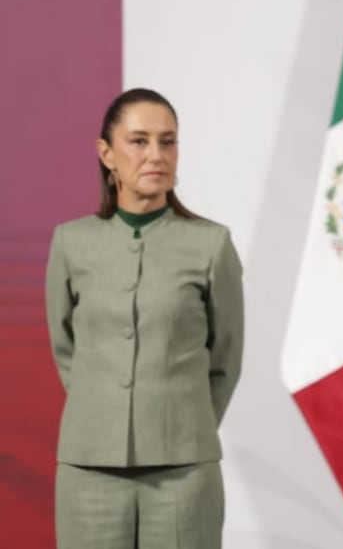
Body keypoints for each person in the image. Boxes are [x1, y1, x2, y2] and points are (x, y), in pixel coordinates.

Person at [45, 88, 244, 548]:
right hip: (88, 469)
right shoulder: (71, 244)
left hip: (185, 472)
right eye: (139, 141)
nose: (156, 155)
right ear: (106, 153)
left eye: (168, 142)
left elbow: (225, 359)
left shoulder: (211, 244)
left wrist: (180, 423)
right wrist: (104, 416)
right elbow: (64, 346)